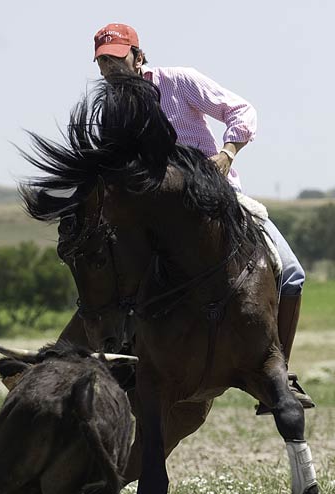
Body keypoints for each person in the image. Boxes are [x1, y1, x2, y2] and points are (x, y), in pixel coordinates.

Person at [93, 23, 314, 413]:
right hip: (156, 222)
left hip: (219, 202)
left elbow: (241, 110)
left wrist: (227, 152)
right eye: (103, 62)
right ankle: (122, 357)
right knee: (109, 265)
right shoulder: (112, 110)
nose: (110, 68)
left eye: (116, 58)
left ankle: (282, 373)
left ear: (139, 56)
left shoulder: (180, 81)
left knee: (292, 273)